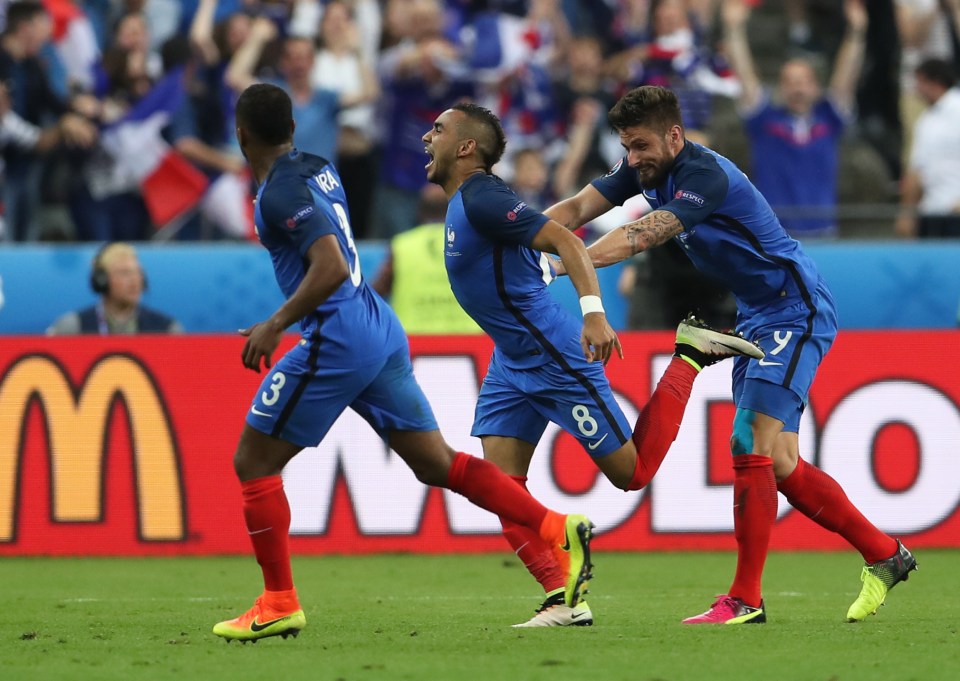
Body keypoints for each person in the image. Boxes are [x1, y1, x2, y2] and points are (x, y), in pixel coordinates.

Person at [212, 83, 593, 643]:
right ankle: (556, 526)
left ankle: (278, 601)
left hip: (336, 338)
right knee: (436, 463)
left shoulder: (277, 195)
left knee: (253, 462)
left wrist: (276, 323)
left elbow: (330, 265)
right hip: (378, 328)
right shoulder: (315, 166)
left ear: (241, 134)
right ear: (293, 128)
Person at [546, 85, 917, 624]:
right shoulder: (646, 169)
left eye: (641, 145)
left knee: (749, 441)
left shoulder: (705, 176)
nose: (633, 158)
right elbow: (578, 208)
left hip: (794, 306)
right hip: (756, 313)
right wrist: (527, 238)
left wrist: (560, 265)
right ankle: (885, 554)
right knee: (781, 463)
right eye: (627, 147)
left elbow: (641, 235)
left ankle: (746, 599)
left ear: (675, 135)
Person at [421, 102, 763, 627]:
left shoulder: (483, 196)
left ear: (466, 147)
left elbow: (564, 240)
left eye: (439, 130)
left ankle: (691, 355)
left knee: (632, 474)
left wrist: (593, 313)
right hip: (511, 360)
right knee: (500, 486)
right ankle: (563, 597)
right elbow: (555, 222)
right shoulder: (468, 201)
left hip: (552, 353)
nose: (427, 137)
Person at [722, 0, 868, 240]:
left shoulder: (829, 118)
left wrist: (856, 32)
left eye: (803, 81)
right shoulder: (763, 120)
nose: (797, 88)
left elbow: (846, 75)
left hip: (824, 232)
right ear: (780, 88)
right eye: (789, 82)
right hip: (775, 234)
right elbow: (745, 74)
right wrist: (734, 30)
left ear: (816, 87)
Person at [370, 183, 482, 334]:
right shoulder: (476, 243)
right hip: (470, 340)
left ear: (419, 212)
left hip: (414, 340)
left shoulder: (402, 245)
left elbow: (375, 293)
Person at [47, 242, 182, 335]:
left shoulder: (166, 330)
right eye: (124, 273)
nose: (134, 281)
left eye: (138, 273)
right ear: (102, 280)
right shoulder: (73, 328)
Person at [895, 58, 960, 239]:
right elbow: (918, 171)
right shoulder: (926, 120)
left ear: (932, 82)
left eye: (918, 82)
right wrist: (907, 214)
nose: (915, 89)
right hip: (932, 213)